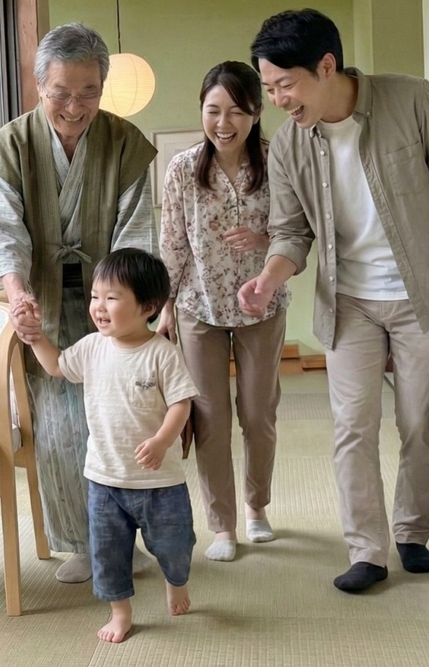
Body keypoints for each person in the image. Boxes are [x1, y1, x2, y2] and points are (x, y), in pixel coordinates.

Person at [238, 9, 429, 592]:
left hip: (424, 294)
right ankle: (367, 551)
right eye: (269, 86)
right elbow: (290, 233)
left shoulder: (414, 102)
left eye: (286, 84)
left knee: (420, 421)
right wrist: (270, 278)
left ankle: (411, 533)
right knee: (352, 427)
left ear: (326, 66)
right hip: (348, 302)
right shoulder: (287, 146)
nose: (278, 98)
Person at [0, 23, 158, 583]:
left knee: (124, 424)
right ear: (38, 86)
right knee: (59, 427)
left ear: (102, 86)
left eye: (89, 92)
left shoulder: (126, 143)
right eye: (61, 92)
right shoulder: (11, 145)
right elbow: (2, 230)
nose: (75, 106)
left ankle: (133, 539)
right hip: (45, 306)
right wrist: (17, 294)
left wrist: (120, 302)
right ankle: (82, 542)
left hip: (116, 307)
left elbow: (136, 232)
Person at [19, 248, 198, 642]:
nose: (99, 306)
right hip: (104, 478)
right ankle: (120, 612)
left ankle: (177, 581)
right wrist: (35, 337)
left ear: (148, 306)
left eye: (112, 298)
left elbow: (182, 404)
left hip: (159, 482)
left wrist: (162, 440)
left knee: (174, 544)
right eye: (96, 296)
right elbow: (57, 366)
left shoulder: (163, 355)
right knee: (108, 553)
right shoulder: (91, 347)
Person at [157, 61, 289, 562]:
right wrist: (165, 308)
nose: (223, 122)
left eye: (236, 111)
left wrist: (263, 240)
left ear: (256, 113)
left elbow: (303, 232)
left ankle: (256, 508)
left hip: (264, 307)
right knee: (209, 417)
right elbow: (172, 244)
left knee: (258, 414)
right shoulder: (183, 170)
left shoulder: (279, 162)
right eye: (213, 110)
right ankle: (222, 525)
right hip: (197, 307)